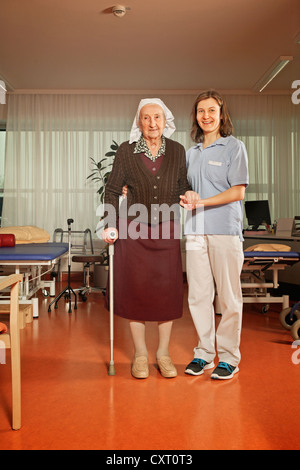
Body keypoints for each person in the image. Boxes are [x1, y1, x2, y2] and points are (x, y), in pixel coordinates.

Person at [102, 98, 194, 379]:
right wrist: (108, 224)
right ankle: (140, 354)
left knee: (166, 292)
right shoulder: (126, 152)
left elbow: (182, 185)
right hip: (132, 230)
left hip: (166, 229)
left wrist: (189, 193)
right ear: (139, 122)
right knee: (136, 290)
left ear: (165, 120)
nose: (152, 123)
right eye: (146, 118)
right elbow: (112, 190)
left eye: (157, 117)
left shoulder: (178, 151)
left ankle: (163, 353)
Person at [180, 90, 249, 380]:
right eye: (200, 111)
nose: (206, 116)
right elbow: (182, 190)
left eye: (211, 111)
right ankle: (204, 353)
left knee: (229, 297)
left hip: (225, 230)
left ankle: (229, 357)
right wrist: (187, 195)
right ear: (195, 116)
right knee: (198, 295)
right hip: (195, 231)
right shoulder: (190, 153)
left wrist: (202, 202)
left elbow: (238, 191)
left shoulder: (234, 147)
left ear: (221, 114)